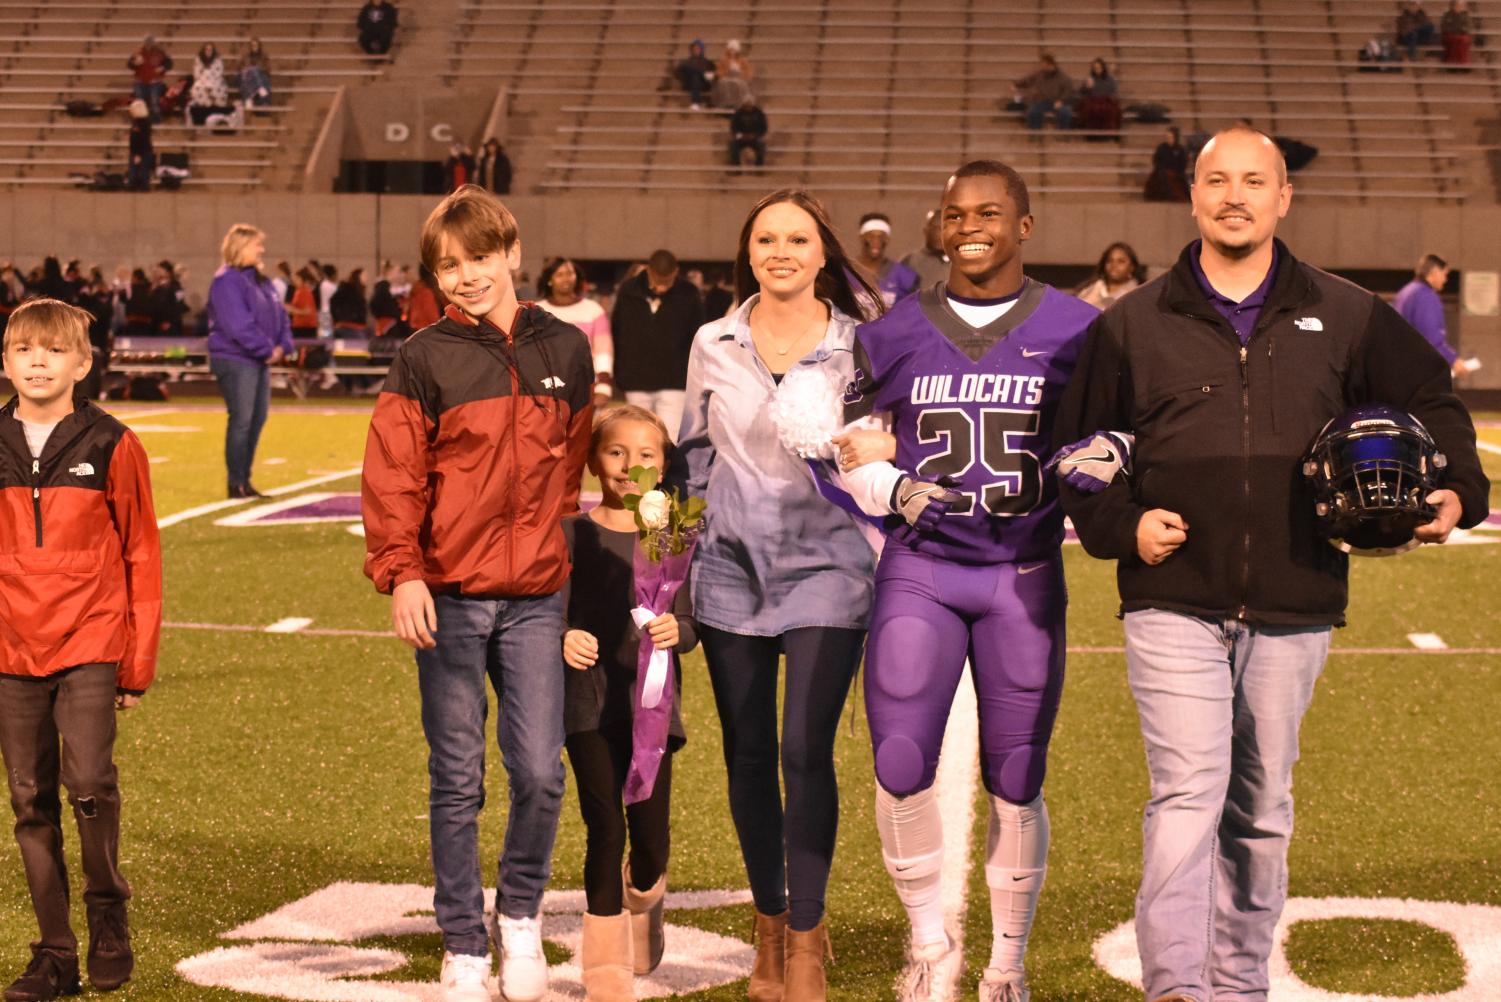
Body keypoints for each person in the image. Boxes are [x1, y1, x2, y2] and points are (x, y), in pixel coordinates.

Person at [1053, 126, 1490, 1002]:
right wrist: (1120, 525)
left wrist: (1459, 490)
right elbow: (1074, 451)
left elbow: (1430, 401)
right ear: (1192, 194)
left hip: (1296, 593)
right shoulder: (1134, 319)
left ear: (1283, 197)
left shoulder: (1348, 311)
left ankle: (1240, 982)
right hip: (1170, 597)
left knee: (1257, 812)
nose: (1234, 196)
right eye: (1217, 179)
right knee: (1187, 792)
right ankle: (1176, 987)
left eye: (1254, 181)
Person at [836, 160, 1100, 1002]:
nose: (970, 226)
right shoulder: (890, 329)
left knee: (1017, 773)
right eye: (954, 214)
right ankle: (926, 941)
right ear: (937, 226)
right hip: (923, 568)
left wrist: (1107, 459)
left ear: (1025, 224)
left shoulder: (1078, 327)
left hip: (1023, 570)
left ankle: (1007, 962)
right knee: (902, 759)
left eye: (989, 212)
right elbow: (845, 452)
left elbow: (1116, 436)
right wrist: (891, 487)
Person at [361, 185, 594, 1002]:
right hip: (450, 595)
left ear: (512, 254)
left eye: (479, 259)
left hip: (535, 594)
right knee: (457, 776)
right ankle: (462, 939)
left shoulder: (564, 349)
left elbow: (568, 472)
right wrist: (403, 573)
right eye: (447, 266)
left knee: (537, 770)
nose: (465, 277)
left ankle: (520, 915)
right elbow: (392, 477)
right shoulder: (422, 356)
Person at [672, 188, 884, 1001]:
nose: (781, 251)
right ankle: (768, 925)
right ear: (748, 250)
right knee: (749, 755)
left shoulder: (862, 345)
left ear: (823, 252)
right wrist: (673, 567)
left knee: (803, 751)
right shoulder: (711, 341)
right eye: (766, 238)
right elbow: (691, 458)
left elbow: (885, 448)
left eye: (797, 238)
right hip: (729, 569)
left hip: (829, 570)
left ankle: (805, 939)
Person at [0, 297, 161, 1002]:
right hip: (9, 646)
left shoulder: (112, 443)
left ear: (84, 363)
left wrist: (138, 658)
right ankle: (55, 952)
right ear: (4, 361)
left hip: (91, 639)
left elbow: (143, 553)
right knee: (30, 801)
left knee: (89, 785)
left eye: (55, 350)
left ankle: (107, 910)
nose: (39, 361)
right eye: (24, 349)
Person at [561, 405, 697, 1001]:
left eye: (646, 455)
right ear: (593, 460)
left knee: (648, 843)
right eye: (617, 452)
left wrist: (679, 633)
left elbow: (692, 621)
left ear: (664, 465)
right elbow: (546, 612)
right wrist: (562, 636)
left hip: (653, 711)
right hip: (587, 706)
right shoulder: (568, 532)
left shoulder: (673, 534)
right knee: (604, 829)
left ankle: (645, 898)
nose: (630, 465)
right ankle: (605, 967)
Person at [206, 224, 293, 499]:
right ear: (240, 247)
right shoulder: (226, 281)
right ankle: (236, 483)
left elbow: (281, 317)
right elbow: (237, 324)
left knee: (256, 419)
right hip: (235, 359)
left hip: (257, 360)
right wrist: (267, 349)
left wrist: (283, 346)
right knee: (242, 420)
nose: (262, 250)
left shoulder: (261, 281)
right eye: (256, 244)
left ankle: (244, 480)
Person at [610, 249, 704, 442]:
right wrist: (619, 372)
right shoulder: (629, 291)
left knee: (670, 437)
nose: (661, 288)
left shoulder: (688, 293)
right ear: (649, 270)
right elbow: (618, 332)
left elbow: (698, 336)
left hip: (675, 381)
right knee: (638, 437)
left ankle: (667, 473)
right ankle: (638, 473)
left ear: (676, 272)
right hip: (635, 378)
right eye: (657, 281)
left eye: (666, 282)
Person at [538, 257, 614, 405]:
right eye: (560, 275)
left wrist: (603, 386)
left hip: (585, 386)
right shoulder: (537, 311)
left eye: (569, 273)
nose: (566, 279)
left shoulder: (593, 310)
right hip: (545, 388)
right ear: (549, 280)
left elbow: (603, 351)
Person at [1393, 253, 1467, 377]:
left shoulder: (1405, 292)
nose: (1445, 279)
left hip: (1401, 366)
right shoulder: (1426, 296)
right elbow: (1430, 338)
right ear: (1435, 271)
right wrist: (1453, 360)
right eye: (1445, 274)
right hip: (1417, 370)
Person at [851, 211, 921, 308]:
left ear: (887, 239)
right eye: (871, 236)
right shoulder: (845, 272)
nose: (876, 241)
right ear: (861, 237)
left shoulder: (903, 275)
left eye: (881, 237)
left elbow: (911, 310)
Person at [1075, 241, 1144, 309]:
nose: (1114, 265)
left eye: (1121, 261)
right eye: (1109, 261)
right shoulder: (1089, 290)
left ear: (1132, 267)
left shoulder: (1138, 295)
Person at [1014, 53, 1074, 130]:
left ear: (1051, 65)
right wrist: (1017, 85)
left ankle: (1063, 133)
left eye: (1044, 65)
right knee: (1032, 111)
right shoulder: (1040, 74)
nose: (1042, 66)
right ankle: (1035, 133)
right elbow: (1028, 80)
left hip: (1057, 102)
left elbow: (1068, 90)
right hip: (1042, 101)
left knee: (1065, 112)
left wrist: (1061, 101)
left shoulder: (1063, 77)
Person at [900, 208, 949, 290]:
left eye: (943, 228)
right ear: (926, 231)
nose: (939, 234)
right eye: (935, 228)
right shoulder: (910, 261)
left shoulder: (961, 260)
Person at [125, 35, 171, 123]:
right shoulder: (138, 52)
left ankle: (156, 117)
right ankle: (140, 117)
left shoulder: (160, 53)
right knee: (140, 100)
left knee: (154, 99)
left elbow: (169, 63)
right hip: (140, 81)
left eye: (150, 45)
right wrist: (134, 63)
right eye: (147, 45)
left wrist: (163, 67)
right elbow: (129, 65)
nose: (148, 47)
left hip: (155, 81)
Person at [1144, 125, 1190, 202]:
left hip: (1176, 172)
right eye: (1167, 137)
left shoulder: (1180, 149)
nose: (1168, 139)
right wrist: (1161, 169)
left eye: (1170, 137)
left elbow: (1183, 163)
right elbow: (1156, 160)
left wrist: (1175, 170)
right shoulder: (1161, 148)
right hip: (1161, 171)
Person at [1076, 57, 1122, 133]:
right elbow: (1081, 93)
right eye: (1095, 68)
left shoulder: (1110, 79)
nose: (1097, 70)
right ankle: (1091, 134)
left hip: (1105, 102)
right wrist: (1087, 87)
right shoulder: (1090, 79)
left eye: (1099, 68)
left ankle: (1109, 133)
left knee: (1111, 109)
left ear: (1103, 68)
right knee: (1089, 108)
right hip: (1093, 102)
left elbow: (1113, 93)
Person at [187, 43, 229, 123]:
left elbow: (219, 72)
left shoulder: (218, 59)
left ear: (213, 51)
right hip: (202, 80)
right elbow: (196, 73)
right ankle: (205, 105)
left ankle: (216, 108)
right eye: (207, 49)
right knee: (197, 87)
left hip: (215, 79)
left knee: (219, 87)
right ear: (204, 50)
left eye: (210, 50)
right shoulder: (198, 59)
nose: (208, 51)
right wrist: (204, 79)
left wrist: (211, 79)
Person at [713, 38, 755, 108]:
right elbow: (719, 70)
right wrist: (724, 73)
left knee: (741, 85)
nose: (732, 52)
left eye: (734, 50)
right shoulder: (724, 60)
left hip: (739, 78)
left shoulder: (742, 60)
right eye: (731, 50)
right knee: (723, 83)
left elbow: (748, 71)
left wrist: (743, 75)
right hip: (727, 77)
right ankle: (726, 104)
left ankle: (740, 104)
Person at [728, 94, 768, 168]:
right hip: (741, 137)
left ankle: (759, 167)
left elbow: (764, 128)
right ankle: (736, 167)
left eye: (749, 106)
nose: (748, 108)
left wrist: (755, 135)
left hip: (755, 137)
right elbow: (733, 127)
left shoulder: (759, 113)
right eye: (746, 106)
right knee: (733, 144)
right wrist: (740, 135)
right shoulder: (738, 113)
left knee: (760, 144)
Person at [674, 40, 714, 109]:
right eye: (694, 49)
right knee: (687, 69)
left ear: (702, 50)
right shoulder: (687, 61)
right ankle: (701, 74)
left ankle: (695, 102)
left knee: (696, 77)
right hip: (689, 83)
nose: (696, 50)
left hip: (703, 84)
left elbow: (713, 73)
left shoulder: (707, 62)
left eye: (698, 49)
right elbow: (678, 74)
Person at [330, 267, 370, 335]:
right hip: (348, 326)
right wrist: (337, 320)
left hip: (357, 326)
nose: (367, 278)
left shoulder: (358, 291)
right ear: (358, 276)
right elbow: (333, 302)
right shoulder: (347, 289)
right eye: (365, 275)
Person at [126, 100, 154, 191]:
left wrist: (138, 154)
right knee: (139, 170)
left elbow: (141, 139)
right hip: (140, 150)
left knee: (141, 170)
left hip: (141, 150)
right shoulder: (139, 122)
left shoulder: (142, 123)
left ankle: (140, 186)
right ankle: (136, 185)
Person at [238, 42, 273, 110]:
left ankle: (249, 99)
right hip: (248, 78)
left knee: (255, 70)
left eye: (256, 45)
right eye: (252, 45)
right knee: (249, 74)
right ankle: (259, 89)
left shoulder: (263, 56)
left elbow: (268, 69)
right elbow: (240, 67)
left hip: (261, 77)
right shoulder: (246, 56)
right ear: (250, 47)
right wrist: (245, 70)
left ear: (259, 46)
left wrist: (259, 69)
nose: (254, 47)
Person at [289, 267, 319, 338]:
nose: (294, 281)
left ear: (301, 279)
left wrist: (291, 309)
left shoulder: (303, 291)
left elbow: (307, 311)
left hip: (304, 328)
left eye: (296, 278)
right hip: (302, 327)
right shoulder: (300, 291)